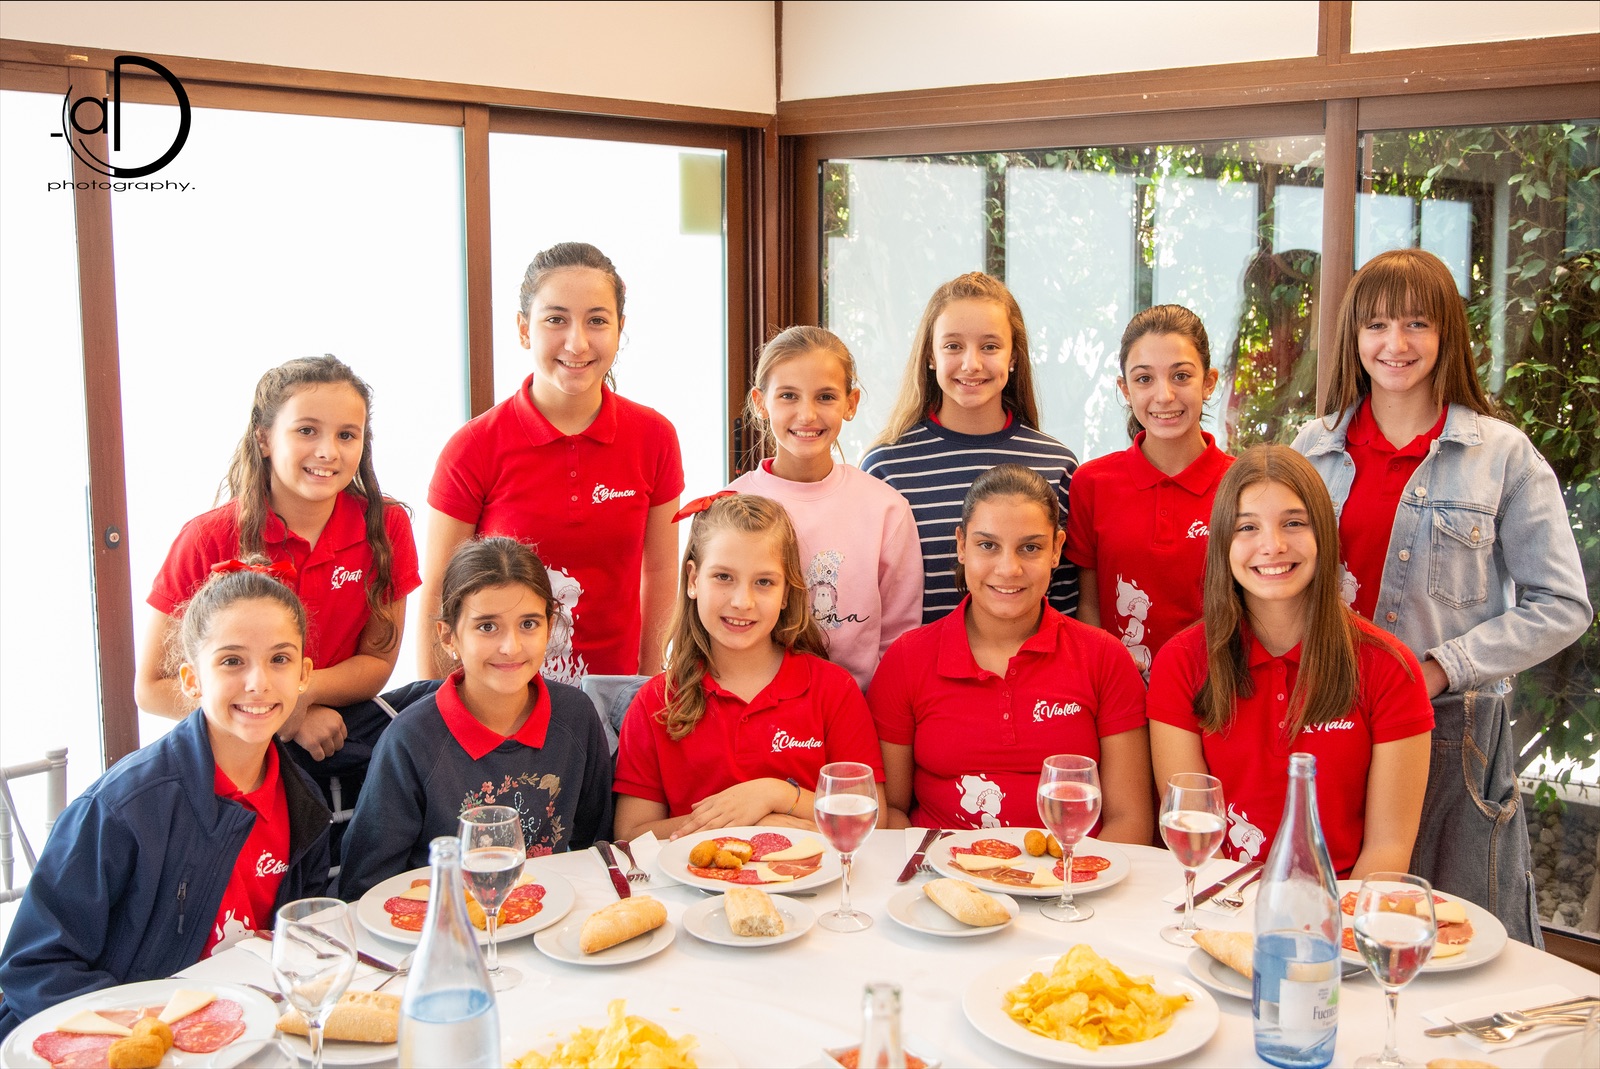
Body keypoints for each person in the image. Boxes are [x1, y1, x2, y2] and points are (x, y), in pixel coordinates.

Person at [1291, 248, 1591, 939]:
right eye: (1376, 325)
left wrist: (1440, 666)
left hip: (1453, 731)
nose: (1394, 344)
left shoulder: (1503, 455)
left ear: (1447, 332)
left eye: (1416, 324)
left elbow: (1563, 604)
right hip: (1331, 718)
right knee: (1337, 926)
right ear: (1353, 336)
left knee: (1458, 932)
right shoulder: (1313, 446)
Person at [0, 563, 331, 1037]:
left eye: (279, 659)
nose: (258, 682)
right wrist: (148, 1029)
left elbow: (297, 943)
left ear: (303, 674)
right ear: (192, 680)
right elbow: (33, 965)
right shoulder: (123, 808)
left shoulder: (305, 805)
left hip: (244, 1032)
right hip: (126, 1041)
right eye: (232, 661)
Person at [1147, 445, 1435, 879]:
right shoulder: (1181, 662)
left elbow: (1388, 850)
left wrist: (1328, 918)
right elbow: (1193, 836)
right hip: (1219, 901)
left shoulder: (1390, 668)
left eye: (1294, 523)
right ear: (1223, 542)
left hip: (1339, 911)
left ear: (1324, 535)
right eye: (1247, 527)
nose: (1273, 546)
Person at [136, 355, 419, 770]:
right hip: (232, 753)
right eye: (307, 430)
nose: (328, 451)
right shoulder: (207, 538)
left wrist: (300, 696)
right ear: (264, 438)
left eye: (346, 435)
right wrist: (279, 714)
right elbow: (152, 688)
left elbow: (376, 662)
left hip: (335, 742)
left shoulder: (386, 525)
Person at [424, 242, 683, 684]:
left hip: (613, 696)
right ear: (524, 329)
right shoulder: (473, 447)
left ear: (620, 328)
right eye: (556, 320)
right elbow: (438, 594)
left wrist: (647, 685)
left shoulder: (654, 437)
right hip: (501, 699)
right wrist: (439, 707)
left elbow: (658, 573)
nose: (576, 342)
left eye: (597, 321)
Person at [869, 465, 1153, 841]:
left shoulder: (1104, 657)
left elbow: (1129, 820)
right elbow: (890, 810)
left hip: (1073, 871)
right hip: (940, 872)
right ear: (961, 545)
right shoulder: (907, 659)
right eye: (988, 545)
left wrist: (1067, 875)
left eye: (1030, 548)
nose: (1009, 568)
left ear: (1057, 549)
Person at [339, 537, 613, 902]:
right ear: (448, 636)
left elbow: (597, 847)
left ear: (550, 626)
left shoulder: (576, 716)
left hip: (552, 919)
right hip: (443, 926)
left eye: (528, 624)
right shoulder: (409, 741)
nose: (511, 647)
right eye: (487, 627)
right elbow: (365, 890)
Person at [612, 494, 887, 841]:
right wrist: (746, 825)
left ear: (786, 592)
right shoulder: (655, 702)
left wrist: (776, 795)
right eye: (723, 576)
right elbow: (631, 835)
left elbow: (873, 817)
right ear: (693, 580)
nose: (743, 601)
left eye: (764, 582)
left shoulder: (833, 690)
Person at [862, 272, 1079, 623]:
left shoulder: (1057, 465)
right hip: (912, 660)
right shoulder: (885, 467)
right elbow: (869, 597)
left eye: (990, 346)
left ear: (1013, 357)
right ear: (930, 356)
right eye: (953, 346)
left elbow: (1065, 601)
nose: (971, 364)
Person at [727, 325, 922, 690]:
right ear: (760, 402)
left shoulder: (886, 510)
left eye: (826, 397)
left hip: (861, 713)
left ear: (851, 403)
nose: (807, 415)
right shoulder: (729, 506)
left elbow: (899, 641)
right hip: (755, 708)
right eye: (788, 395)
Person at [1067, 306, 1234, 680]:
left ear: (1209, 382)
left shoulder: (1242, 486)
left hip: (1218, 694)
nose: (1164, 395)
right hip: (1120, 693)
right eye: (1144, 379)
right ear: (1125, 389)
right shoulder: (1091, 483)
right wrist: (1107, 674)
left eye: (1181, 376)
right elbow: (1089, 605)